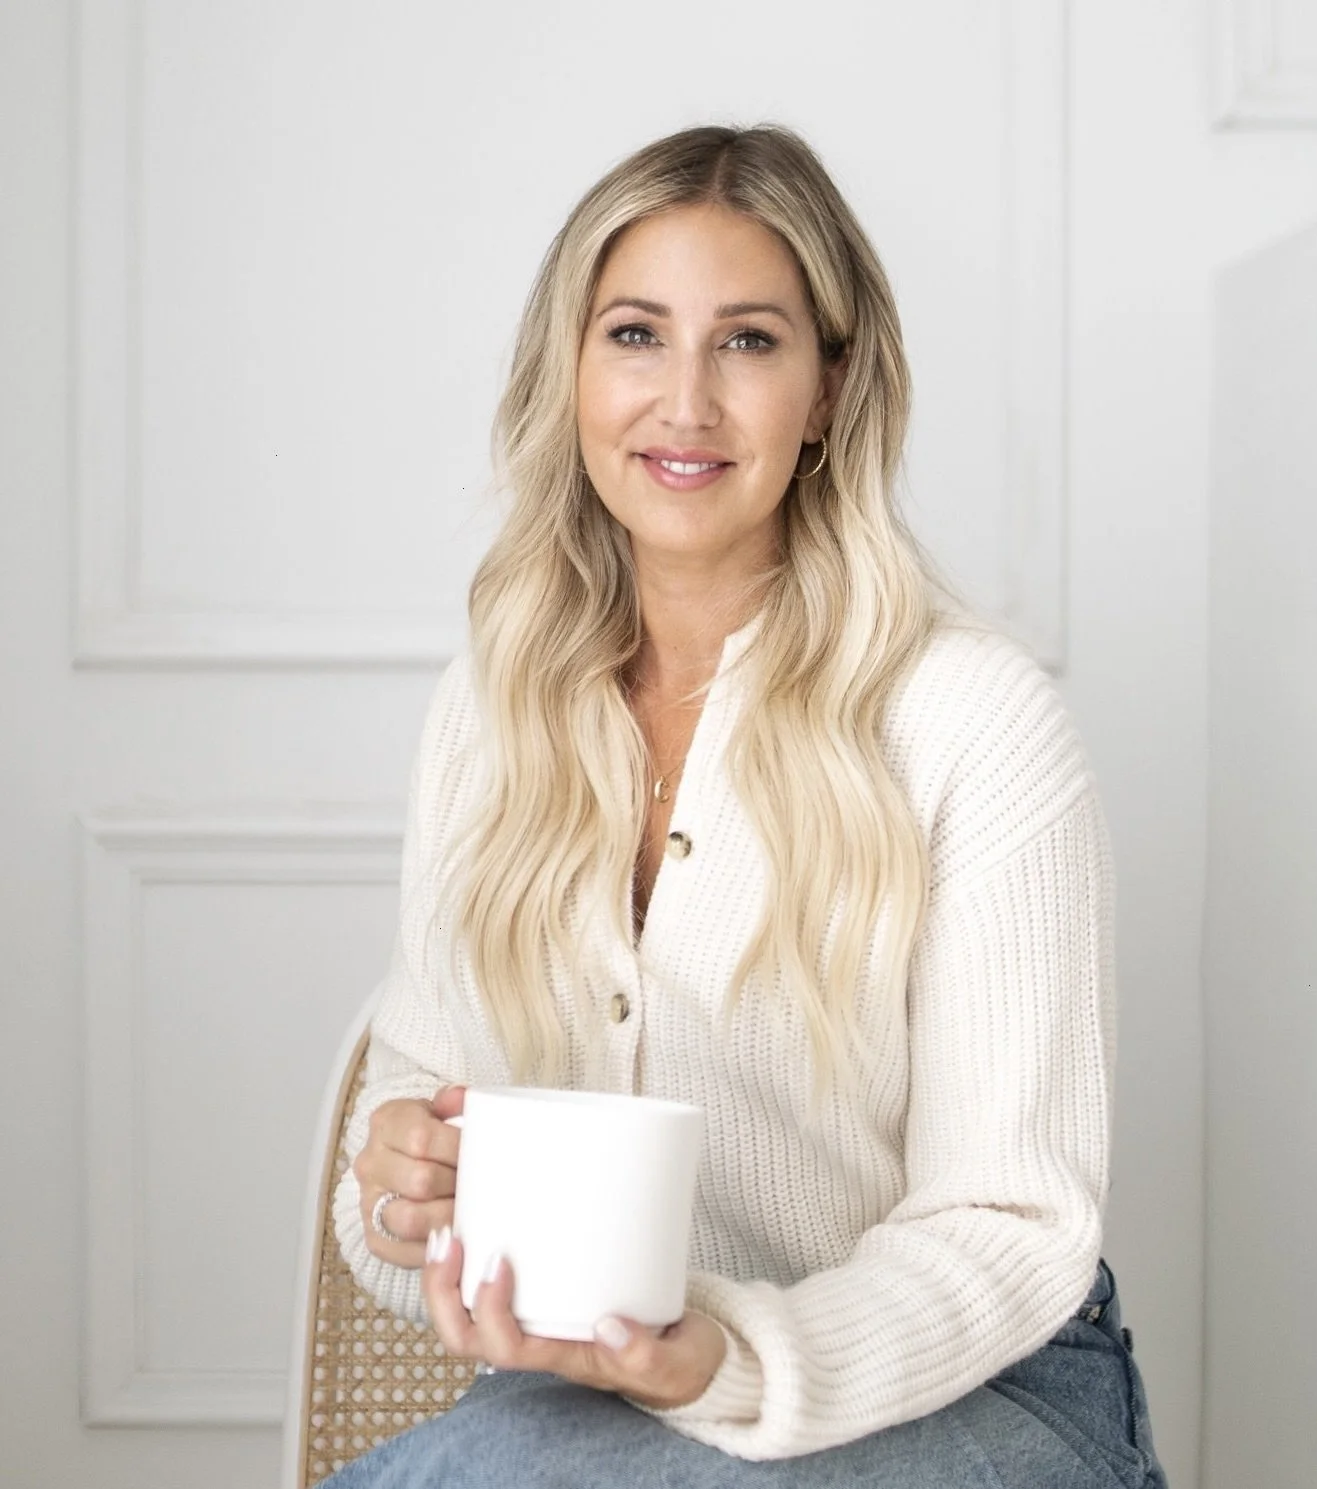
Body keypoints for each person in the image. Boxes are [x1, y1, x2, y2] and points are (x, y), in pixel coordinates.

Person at [322, 123, 1166, 1488]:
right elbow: (421, 1106)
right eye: (638, 335)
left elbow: (1013, 1223)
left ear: (831, 388)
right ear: (573, 371)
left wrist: (728, 1357)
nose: (687, 403)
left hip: (986, 1395)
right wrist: (402, 1182)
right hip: (614, 1407)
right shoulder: (495, 711)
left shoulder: (971, 718)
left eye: (752, 342)